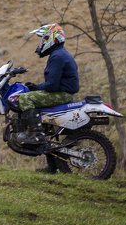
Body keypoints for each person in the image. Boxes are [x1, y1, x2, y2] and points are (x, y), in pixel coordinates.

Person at [14, 23, 79, 173]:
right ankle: (53, 166)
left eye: (43, 39)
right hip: (63, 93)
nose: (41, 43)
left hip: (61, 95)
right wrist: (36, 87)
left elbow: (52, 85)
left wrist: (36, 87)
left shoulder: (58, 56)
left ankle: (36, 135)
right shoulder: (59, 54)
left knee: (24, 99)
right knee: (47, 125)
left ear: (51, 38)